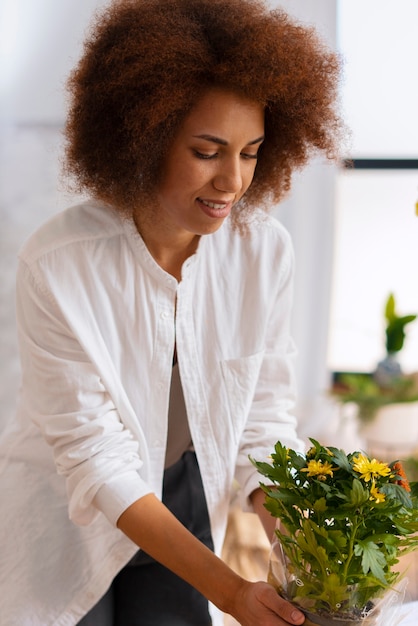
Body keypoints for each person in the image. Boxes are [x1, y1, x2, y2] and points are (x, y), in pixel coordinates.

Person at [0, 0, 343, 624]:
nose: (233, 182)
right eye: (208, 151)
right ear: (145, 135)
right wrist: (231, 589)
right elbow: (95, 457)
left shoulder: (264, 252)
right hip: (69, 513)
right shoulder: (58, 262)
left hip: (183, 495)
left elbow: (261, 420)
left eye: (251, 152)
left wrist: (298, 537)